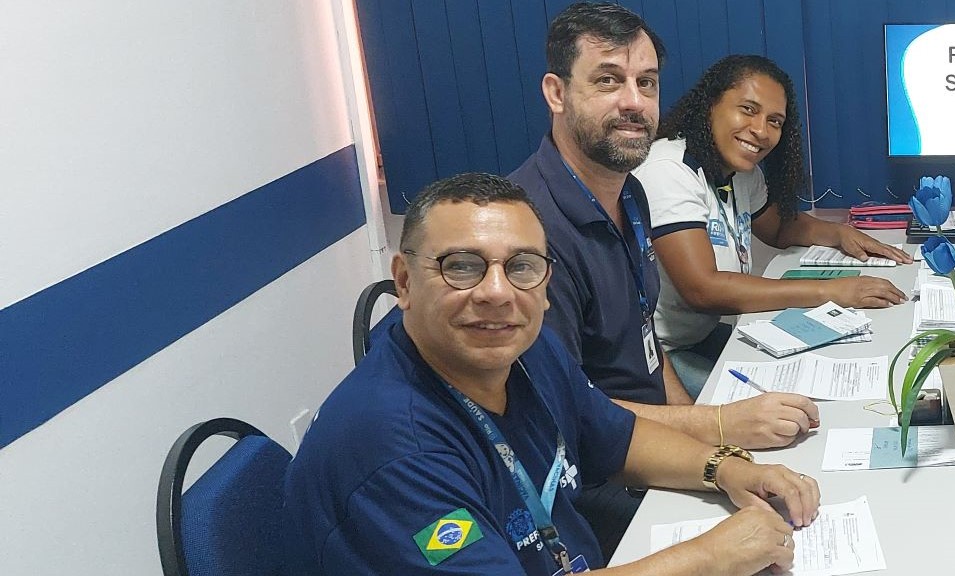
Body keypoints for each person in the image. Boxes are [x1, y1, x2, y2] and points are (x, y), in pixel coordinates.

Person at [286, 173, 821, 575]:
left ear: (545, 282)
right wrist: (711, 556)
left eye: (521, 266)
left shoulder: (525, 347)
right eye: (463, 266)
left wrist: (726, 468)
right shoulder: (391, 445)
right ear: (404, 282)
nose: (497, 293)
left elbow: (612, 436)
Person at [504, 2, 819, 553]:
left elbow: (649, 348)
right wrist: (716, 430)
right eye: (608, 80)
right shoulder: (530, 236)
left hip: (651, 443)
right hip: (590, 482)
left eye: (645, 83)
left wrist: (705, 435)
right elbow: (569, 420)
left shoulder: (630, 195)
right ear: (556, 93)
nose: (633, 101)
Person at [631, 54, 910, 393]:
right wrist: (829, 291)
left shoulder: (739, 172)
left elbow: (779, 228)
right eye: (748, 109)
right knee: (772, 409)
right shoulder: (668, 170)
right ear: (710, 106)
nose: (761, 131)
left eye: (775, 121)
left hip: (698, 337)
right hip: (659, 355)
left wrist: (841, 234)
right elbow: (702, 290)